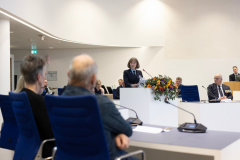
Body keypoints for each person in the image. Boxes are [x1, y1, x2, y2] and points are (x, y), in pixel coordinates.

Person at [62, 54, 133, 160]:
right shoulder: (100, 103)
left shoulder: (57, 102)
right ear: (93, 79)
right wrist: (117, 134)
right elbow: (127, 130)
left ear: (68, 74)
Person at [20, 54, 55, 158]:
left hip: (26, 150)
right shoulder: (38, 101)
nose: (45, 77)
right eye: (45, 74)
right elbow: (50, 136)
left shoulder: (20, 97)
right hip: (43, 152)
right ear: (39, 77)